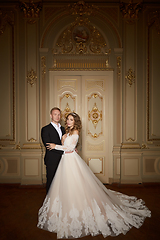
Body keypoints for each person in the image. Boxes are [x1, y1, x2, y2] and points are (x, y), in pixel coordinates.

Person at [37, 112, 151, 239]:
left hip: (71, 161)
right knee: (65, 186)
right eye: (68, 119)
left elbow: (69, 147)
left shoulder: (75, 132)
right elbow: (67, 146)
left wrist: (57, 146)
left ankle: (82, 209)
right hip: (64, 161)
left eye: (71, 120)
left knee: (78, 185)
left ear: (75, 122)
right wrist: (64, 144)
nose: (69, 121)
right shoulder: (66, 132)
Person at [41, 107, 65, 193]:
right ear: (51, 115)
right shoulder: (45, 129)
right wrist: (65, 150)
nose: (57, 116)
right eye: (55, 114)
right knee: (51, 181)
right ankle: (50, 202)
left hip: (64, 159)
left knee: (63, 182)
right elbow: (48, 146)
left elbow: (67, 143)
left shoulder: (64, 129)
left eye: (59, 114)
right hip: (52, 159)